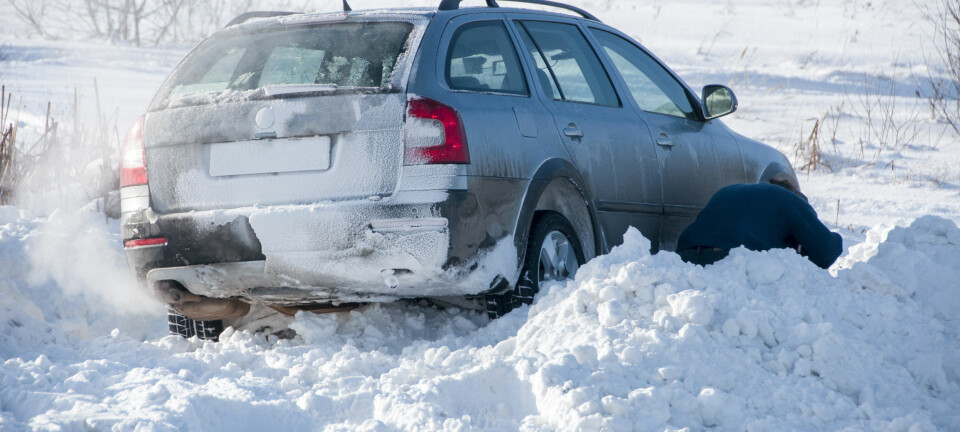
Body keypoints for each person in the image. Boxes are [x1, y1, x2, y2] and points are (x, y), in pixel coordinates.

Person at [676, 174, 842, 269]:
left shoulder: (730, 191)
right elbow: (826, 252)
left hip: (683, 260)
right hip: (728, 261)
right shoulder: (791, 200)